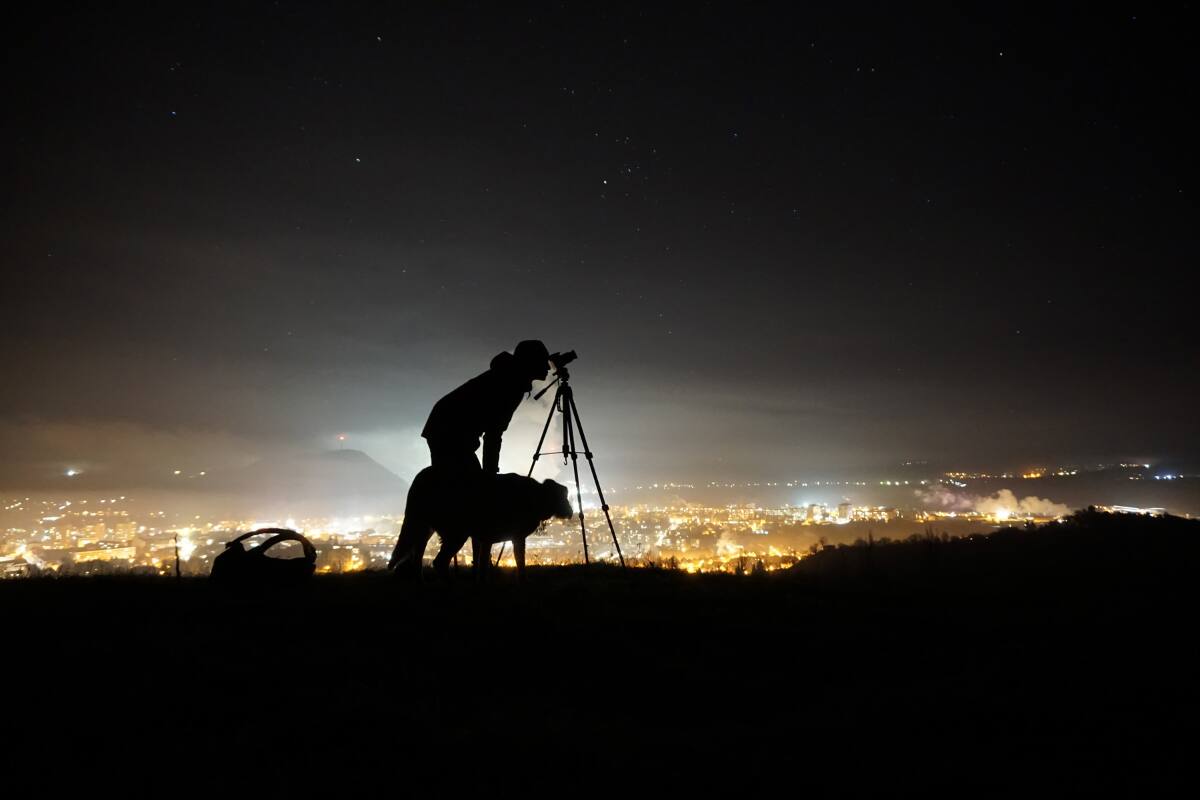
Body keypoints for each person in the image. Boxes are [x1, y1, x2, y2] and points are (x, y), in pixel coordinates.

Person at [421, 340, 551, 480]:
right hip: (448, 429)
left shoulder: (509, 376)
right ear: (531, 362)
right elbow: (494, 433)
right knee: (463, 483)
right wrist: (490, 474)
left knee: (460, 482)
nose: (548, 368)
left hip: (445, 426)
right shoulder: (510, 384)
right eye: (544, 362)